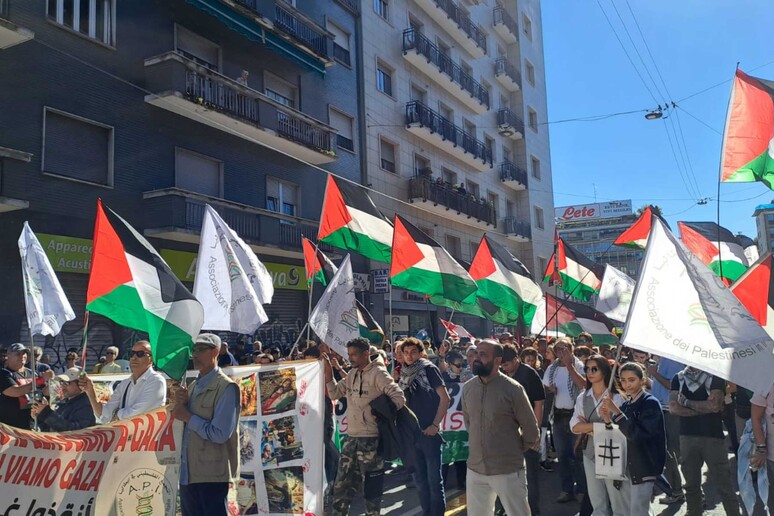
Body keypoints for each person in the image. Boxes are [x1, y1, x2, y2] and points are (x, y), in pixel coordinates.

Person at [323, 337, 406, 516]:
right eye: (349, 354)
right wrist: (329, 377)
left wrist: (379, 413)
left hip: (371, 441)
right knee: (341, 487)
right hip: (351, 439)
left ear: (366, 354)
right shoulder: (352, 374)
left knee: (371, 490)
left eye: (354, 354)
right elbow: (336, 392)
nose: (350, 358)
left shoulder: (379, 374)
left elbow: (399, 398)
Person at [462, 339, 539, 515]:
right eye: (475, 354)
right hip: (475, 468)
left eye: (483, 354)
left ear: (497, 360)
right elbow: (469, 423)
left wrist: (514, 450)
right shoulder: (468, 388)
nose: (476, 358)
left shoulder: (513, 389)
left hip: (507, 469)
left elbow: (531, 428)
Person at [173, 333, 240, 516]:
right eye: (194, 350)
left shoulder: (226, 388)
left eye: (201, 350)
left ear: (215, 352)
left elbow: (220, 433)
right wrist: (182, 403)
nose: (195, 354)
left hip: (211, 476)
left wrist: (188, 417)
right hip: (189, 474)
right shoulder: (193, 386)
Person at [669, 367, 740, 516]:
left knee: (724, 484)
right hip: (687, 436)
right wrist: (702, 408)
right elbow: (674, 408)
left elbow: (714, 406)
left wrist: (686, 402)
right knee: (691, 485)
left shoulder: (716, 377)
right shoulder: (679, 377)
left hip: (713, 437)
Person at [600, 362, 665, 516]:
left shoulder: (650, 403)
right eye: (623, 380)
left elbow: (638, 435)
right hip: (624, 464)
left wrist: (616, 412)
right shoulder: (627, 404)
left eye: (631, 380)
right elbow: (619, 434)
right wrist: (607, 420)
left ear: (642, 380)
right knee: (621, 511)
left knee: (638, 512)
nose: (627, 384)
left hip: (644, 465)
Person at [399, 338, 451, 516]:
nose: (409, 355)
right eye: (406, 352)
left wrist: (435, 425)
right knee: (420, 481)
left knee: (434, 481)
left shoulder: (429, 369)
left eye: (413, 352)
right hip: (412, 435)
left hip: (429, 433)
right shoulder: (403, 373)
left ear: (421, 353)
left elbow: (445, 399)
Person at [571, 355, 627, 516]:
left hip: (612, 452)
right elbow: (574, 426)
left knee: (617, 500)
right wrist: (600, 426)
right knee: (597, 501)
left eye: (594, 368)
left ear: (604, 371)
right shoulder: (583, 397)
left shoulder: (616, 397)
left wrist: (588, 428)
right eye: (587, 369)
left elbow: (620, 428)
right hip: (590, 452)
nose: (589, 372)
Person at [501, 344, 545, 515]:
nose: (504, 368)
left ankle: (533, 511)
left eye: (506, 364)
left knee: (530, 477)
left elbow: (539, 403)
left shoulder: (529, 374)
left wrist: (535, 431)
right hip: (507, 433)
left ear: (516, 359)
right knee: (507, 475)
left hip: (526, 430)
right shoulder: (500, 375)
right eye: (501, 365)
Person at [543, 337, 587, 503]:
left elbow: (583, 384)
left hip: (575, 416)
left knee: (577, 455)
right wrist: (550, 389)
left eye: (565, 348)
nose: (561, 352)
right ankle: (567, 490)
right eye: (558, 349)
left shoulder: (578, 365)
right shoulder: (552, 367)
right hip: (559, 416)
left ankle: (582, 490)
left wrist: (569, 365)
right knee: (562, 456)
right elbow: (546, 384)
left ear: (571, 349)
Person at [80, 340, 166, 423]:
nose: (134, 357)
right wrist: (90, 392)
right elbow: (104, 416)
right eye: (132, 354)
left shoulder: (156, 381)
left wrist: (117, 414)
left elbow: (138, 413)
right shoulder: (124, 384)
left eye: (140, 354)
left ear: (151, 359)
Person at [646, 356, 685, 505]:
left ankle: (681, 492)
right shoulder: (661, 360)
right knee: (667, 453)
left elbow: (672, 385)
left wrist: (654, 374)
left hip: (670, 412)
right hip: (661, 410)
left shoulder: (672, 361)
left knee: (672, 453)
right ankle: (676, 491)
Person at [0, 343, 54, 429]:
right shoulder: (4, 373)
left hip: (31, 423)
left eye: (24, 353)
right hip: (10, 425)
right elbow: (15, 391)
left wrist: (51, 382)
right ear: (8, 356)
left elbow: (43, 392)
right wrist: (41, 379)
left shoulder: (32, 373)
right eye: (18, 354)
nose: (22, 356)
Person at [32, 367, 95, 431]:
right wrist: (40, 415)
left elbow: (74, 431)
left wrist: (46, 412)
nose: (62, 386)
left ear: (80, 384)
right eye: (62, 382)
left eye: (67, 383)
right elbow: (50, 430)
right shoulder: (64, 402)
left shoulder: (86, 405)